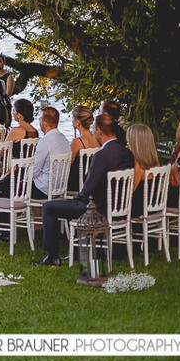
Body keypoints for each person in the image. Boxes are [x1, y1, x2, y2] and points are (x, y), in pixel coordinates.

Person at [35, 113, 134, 266]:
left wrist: (76, 198)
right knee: (68, 206)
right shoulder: (127, 153)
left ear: (99, 130)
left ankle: (52, 256)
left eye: (94, 130)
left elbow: (89, 188)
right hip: (118, 208)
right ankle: (76, 250)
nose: (94, 133)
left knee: (49, 207)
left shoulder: (102, 155)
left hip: (97, 209)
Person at [0, 106, 71, 199]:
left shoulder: (45, 141)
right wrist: (20, 166)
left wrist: (24, 181)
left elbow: (35, 168)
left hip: (42, 189)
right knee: (18, 169)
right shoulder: (64, 140)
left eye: (40, 120)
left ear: (44, 124)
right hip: (58, 188)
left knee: (9, 188)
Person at [125, 123, 159, 218]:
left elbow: (130, 192)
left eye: (128, 142)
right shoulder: (155, 163)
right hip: (152, 206)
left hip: (139, 209)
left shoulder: (139, 165)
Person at [67, 106, 101, 191]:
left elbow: (68, 164)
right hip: (94, 181)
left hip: (78, 184)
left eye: (73, 119)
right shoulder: (98, 139)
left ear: (77, 122)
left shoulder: (77, 142)